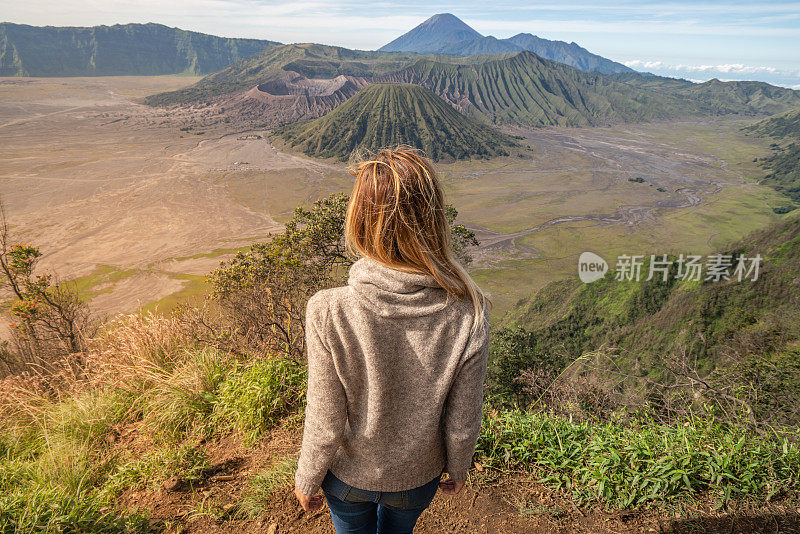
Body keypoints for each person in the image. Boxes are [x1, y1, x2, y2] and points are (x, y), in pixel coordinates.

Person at [293, 146, 491, 534]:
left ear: (361, 222)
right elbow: (463, 418)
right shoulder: (469, 313)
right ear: (433, 221)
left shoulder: (328, 310)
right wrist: (459, 465)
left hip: (347, 478)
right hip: (416, 479)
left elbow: (325, 419)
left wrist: (307, 477)